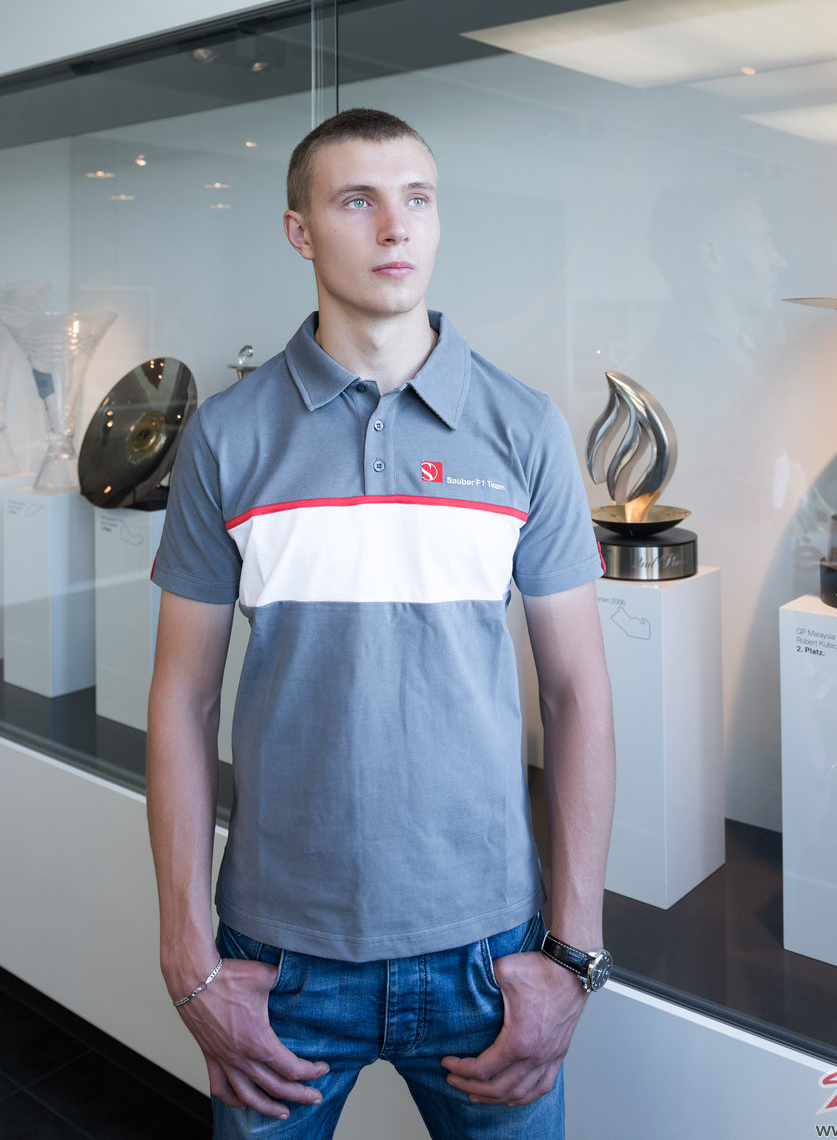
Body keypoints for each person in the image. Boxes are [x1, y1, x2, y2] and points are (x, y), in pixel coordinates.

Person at [146, 108, 615, 1139]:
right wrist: (188, 952)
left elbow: (578, 694)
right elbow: (180, 697)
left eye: (418, 198)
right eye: (357, 199)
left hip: (490, 955)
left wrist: (573, 957)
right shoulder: (227, 437)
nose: (394, 227)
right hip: (277, 959)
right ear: (300, 230)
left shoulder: (522, 425)